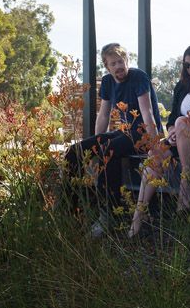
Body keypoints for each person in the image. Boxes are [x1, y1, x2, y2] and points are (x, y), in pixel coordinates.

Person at [129, 43, 190, 237]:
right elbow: (173, 117)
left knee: (183, 121)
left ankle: (185, 188)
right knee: (154, 154)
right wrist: (174, 130)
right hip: (180, 140)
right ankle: (138, 218)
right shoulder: (181, 87)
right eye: (186, 65)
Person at [66, 43, 159, 222]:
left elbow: (147, 113)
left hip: (144, 134)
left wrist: (154, 144)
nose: (119, 66)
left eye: (121, 61)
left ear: (127, 60)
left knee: (108, 150)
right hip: (125, 133)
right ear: (107, 66)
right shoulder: (108, 82)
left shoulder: (138, 77)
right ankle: (70, 210)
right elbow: (103, 115)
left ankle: (108, 214)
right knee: (75, 151)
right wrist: (94, 142)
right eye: (113, 64)